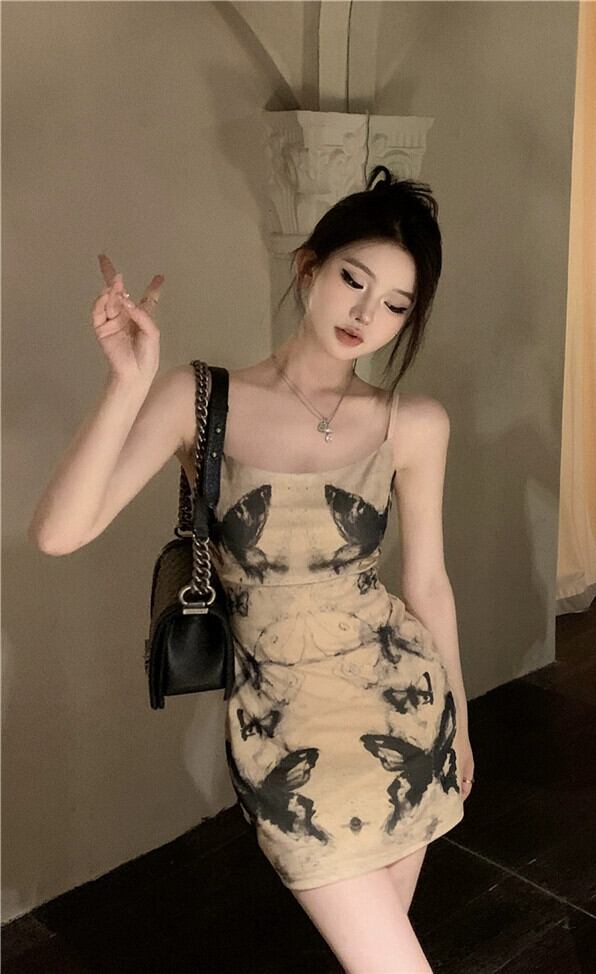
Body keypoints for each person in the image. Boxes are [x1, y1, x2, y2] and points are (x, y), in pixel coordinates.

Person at [28, 164, 475, 974]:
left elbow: (428, 585)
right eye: (354, 281)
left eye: (395, 305)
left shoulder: (413, 423)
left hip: (404, 715)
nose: (366, 315)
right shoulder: (198, 399)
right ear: (309, 267)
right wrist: (126, 383)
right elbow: (60, 533)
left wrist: (462, 726)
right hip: (283, 727)